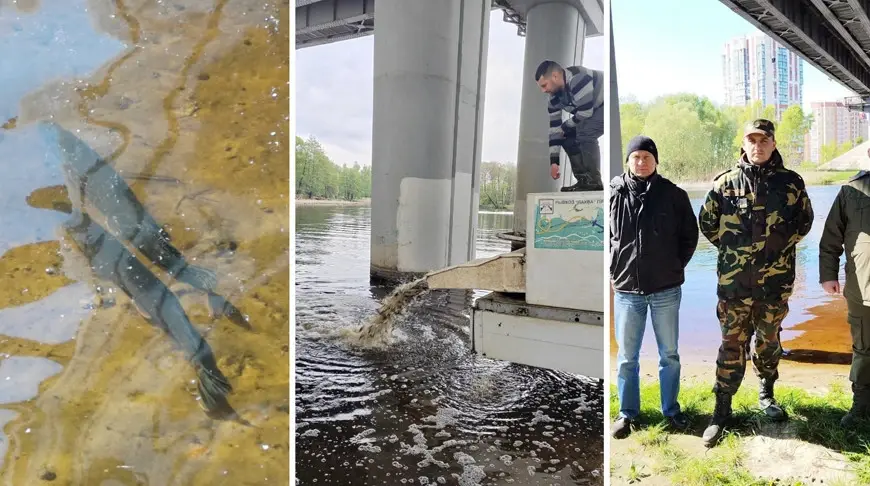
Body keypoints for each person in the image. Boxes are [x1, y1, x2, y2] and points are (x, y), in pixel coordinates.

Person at [698, 119, 813, 447]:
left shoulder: (791, 183)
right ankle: (722, 408)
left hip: (775, 285)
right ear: (744, 143)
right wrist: (734, 252)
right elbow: (707, 223)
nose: (758, 146)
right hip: (734, 286)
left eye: (764, 140)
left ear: (774, 144)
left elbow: (804, 223)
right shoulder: (725, 184)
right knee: (731, 344)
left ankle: (767, 392)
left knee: (768, 341)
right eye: (753, 140)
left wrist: (778, 250)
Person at [609, 135, 699, 439]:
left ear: (656, 161)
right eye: (636, 157)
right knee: (626, 357)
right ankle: (627, 414)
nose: (641, 162)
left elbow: (690, 236)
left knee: (669, 354)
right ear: (628, 161)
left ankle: (671, 411)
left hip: (666, 289)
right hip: (626, 290)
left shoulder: (674, 195)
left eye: (647, 157)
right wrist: (613, 267)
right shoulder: (613, 193)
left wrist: (673, 266)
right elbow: (602, 236)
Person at [818, 156, 870, 427]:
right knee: (863, 348)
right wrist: (828, 275)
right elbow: (831, 238)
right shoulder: (852, 190)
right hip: (862, 287)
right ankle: (860, 406)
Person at [534, 60, 604, 192]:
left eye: (544, 85)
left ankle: (594, 182)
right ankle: (584, 180)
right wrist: (554, 162)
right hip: (591, 110)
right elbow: (555, 130)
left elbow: (585, 112)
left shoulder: (578, 78)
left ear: (555, 76)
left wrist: (564, 127)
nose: (543, 91)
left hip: (606, 103)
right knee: (566, 136)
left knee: (585, 133)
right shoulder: (553, 99)